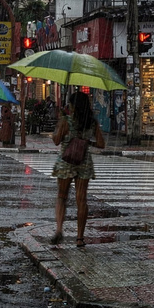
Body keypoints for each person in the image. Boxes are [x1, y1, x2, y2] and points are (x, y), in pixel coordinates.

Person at [50, 91, 105, 246]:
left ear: (73, 106)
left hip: (66, 162)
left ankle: (59, 230)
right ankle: (80, 238)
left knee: (62, 196)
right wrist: (86, 142)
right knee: (82, 200)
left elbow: (56, 140)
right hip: (84, 162)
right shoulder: (91, 123)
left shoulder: (66, 121)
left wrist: (59, 124)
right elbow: (101, 144)